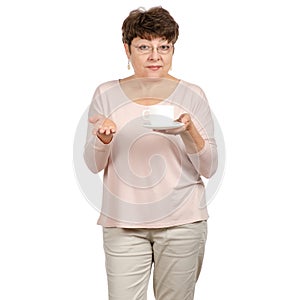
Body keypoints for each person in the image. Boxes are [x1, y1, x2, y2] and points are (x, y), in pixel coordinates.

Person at [84, 6, 218, 300]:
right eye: (144, 46)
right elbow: (92, 165)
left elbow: (209, 167)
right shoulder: (106, 94)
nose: (155, 55)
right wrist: (103, 139)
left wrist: (189, 131)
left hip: (183, 222)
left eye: (164, 46)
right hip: (123, 224)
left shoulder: (192, 94)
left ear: (173, 49)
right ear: (127, 49)